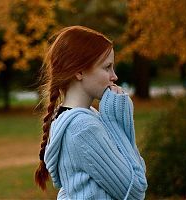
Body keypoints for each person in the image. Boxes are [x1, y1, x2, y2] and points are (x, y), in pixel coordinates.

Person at [34, 25, 148, 200]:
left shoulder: (67, 118)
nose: (114, 76)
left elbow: (72, 188)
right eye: (107, 67)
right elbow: (135, 190)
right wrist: (117, 123)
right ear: (79, 71)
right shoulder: (83, 128)